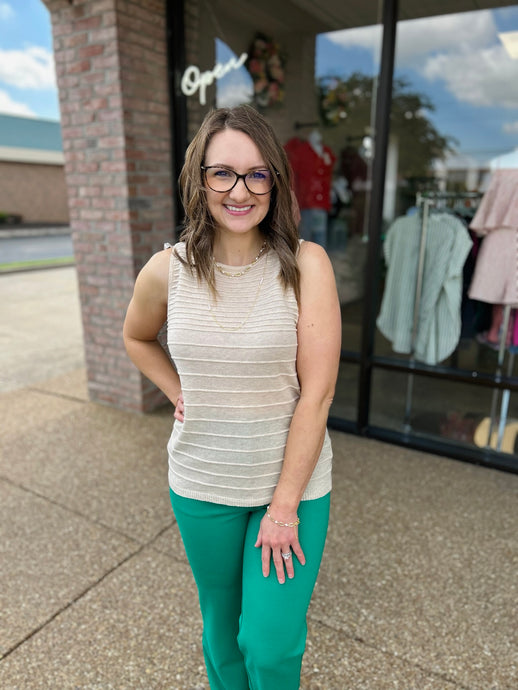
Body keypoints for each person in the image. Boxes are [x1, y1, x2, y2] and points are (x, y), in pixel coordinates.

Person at [123, 104, 341, 690]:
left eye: (257, 174)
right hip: (202, 481)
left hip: (292, 488)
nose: (239, 191)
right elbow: (136, 337)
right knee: (221, 625)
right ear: (200, 178)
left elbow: (318, 394)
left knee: (270, 644)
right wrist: (178, 390)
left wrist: (284, 508)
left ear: (275, 181)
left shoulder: (308, 265)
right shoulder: (166, 271)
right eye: (222, 173)